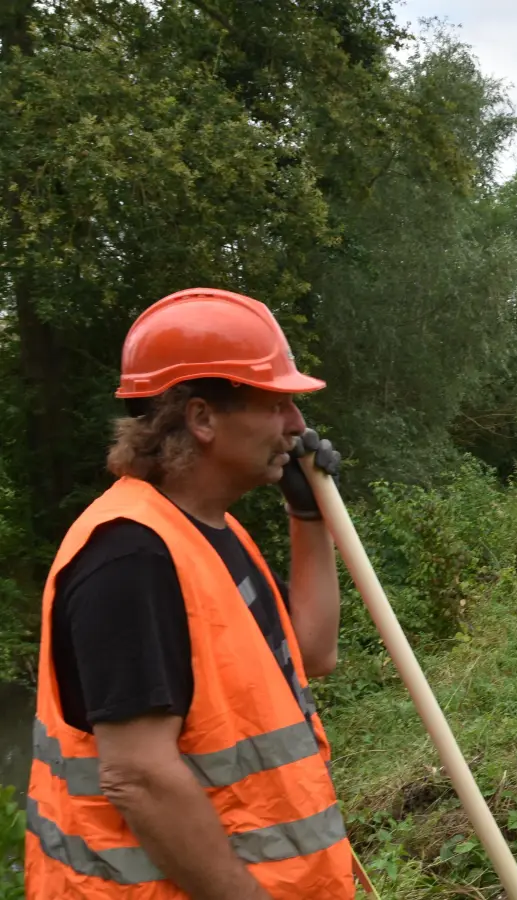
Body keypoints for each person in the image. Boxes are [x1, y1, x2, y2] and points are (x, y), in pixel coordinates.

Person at [26, 288, 355, 899]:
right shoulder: (129, 558)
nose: (297, 425)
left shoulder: (212, 533)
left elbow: (311, 653)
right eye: (277, 404)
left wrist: (309, 518)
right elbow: (138, 776)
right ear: (202, 418)